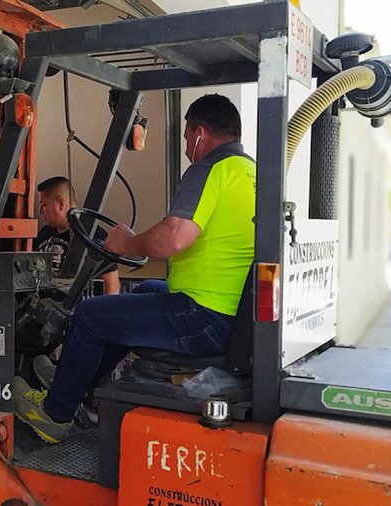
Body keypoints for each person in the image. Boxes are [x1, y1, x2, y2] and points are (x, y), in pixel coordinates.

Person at [14, 94, 256, 443]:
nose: (187, 145)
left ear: (200, 133)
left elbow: (174, 236)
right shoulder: (249, 171)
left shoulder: (209, 169)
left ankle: (55, 415)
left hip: (201, 316)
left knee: (90, 314)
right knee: (143, 291)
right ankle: (76, 383)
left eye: (187, 136)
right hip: (226, 315)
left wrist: (127, 243)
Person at [35, 176, 120, 296]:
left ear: (61, 204)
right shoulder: (44, 234)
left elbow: (111, 283)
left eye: (44, 205)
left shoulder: (95, 236)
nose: (40, 210)